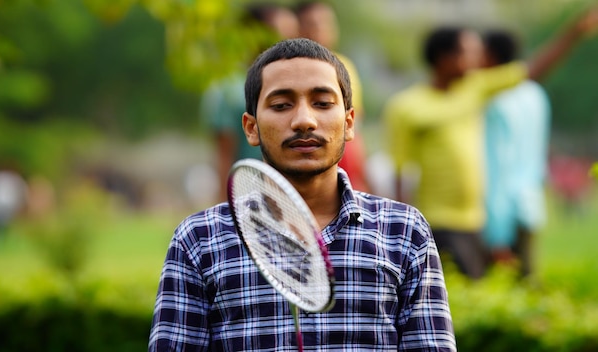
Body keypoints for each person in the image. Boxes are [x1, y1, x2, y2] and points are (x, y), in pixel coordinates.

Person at [149, 38, 456, 351]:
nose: (304, 121)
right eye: (281, 105)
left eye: (322, 103)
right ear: (251, 128)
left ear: (349, 123)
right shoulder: (200, 238)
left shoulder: (403, 230)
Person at [382, 8, 598, 279]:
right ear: (446, 58)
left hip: (476, 219)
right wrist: (402, 228)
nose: (478, 58)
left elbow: (531, 70)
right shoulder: (408, 106)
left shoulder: (475, 89)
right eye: (469, 52)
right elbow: (401, 170)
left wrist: (573, 34)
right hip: (437, 220)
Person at [201, 3, 299, 202]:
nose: (289, 43)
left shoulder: (301, 83)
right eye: (279, 35)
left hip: (292, 200)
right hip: (249, 198)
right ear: (253, 36)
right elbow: (224, 156)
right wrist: (226, 206)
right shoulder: (229, 89)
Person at [481, 30, 551, 278]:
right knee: (528, 285)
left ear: (489, 57)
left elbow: (497, 164)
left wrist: (496, 236)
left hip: (498, 214)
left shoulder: (494, 100)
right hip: (530, 204)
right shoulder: (536, 95)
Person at [295, 0, 371, 192]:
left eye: (327, 24)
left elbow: (356, 122)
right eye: (313, 24)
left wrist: (362, 169)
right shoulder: (289, 69)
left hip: (344, 155)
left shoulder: (345, 65)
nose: (321, 30)